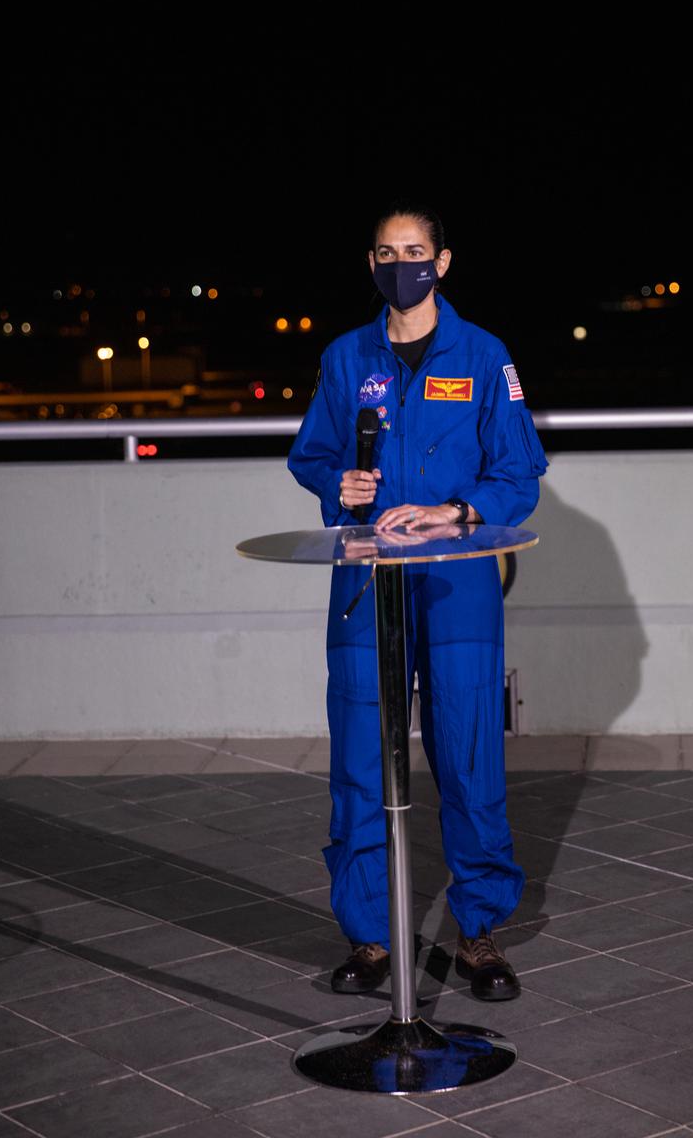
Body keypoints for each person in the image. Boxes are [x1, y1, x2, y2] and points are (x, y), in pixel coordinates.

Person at [287, 202, 547, 1000]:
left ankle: (478, 932)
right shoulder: (344, 356)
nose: (400, 263)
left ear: (441, 262)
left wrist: (453, 510)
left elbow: (518, 471)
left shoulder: (484, 355)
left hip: (457, 585)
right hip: (366, 582)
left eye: (414, 250)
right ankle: (369, 938)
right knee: (361, 765)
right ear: (370, 263)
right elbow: (312, 454)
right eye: (384, 251)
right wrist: (340, 482)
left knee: (468, 756)